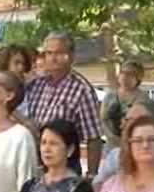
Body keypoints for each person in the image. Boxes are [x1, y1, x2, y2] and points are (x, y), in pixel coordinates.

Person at [27, 32, 102, 177]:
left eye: (59, 53)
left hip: (65, 169)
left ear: (71, 56)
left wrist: (92, 175)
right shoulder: (35, 85)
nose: (53, 58)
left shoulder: (82, 90)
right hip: (34, 165)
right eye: (49, 53)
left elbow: (93, 138)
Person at [94, 102, 154, 192]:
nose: (122, 125)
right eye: (124, 119)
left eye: (129, 120)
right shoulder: (114, 156)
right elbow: (98, 186)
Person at [100, 60, 154, 152]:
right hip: (111, 146)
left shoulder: (143, 99)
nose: (125, 76)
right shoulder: (110, 96)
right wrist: (113, 139)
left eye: (130, 74)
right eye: (123, 72)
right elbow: (103, 119)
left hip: (134, 146)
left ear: (138, 78)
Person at [0, 44, 33, 117]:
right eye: (17, 63)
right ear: (5, 63)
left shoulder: (29, 88)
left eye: (23, 64)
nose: (21, 68)